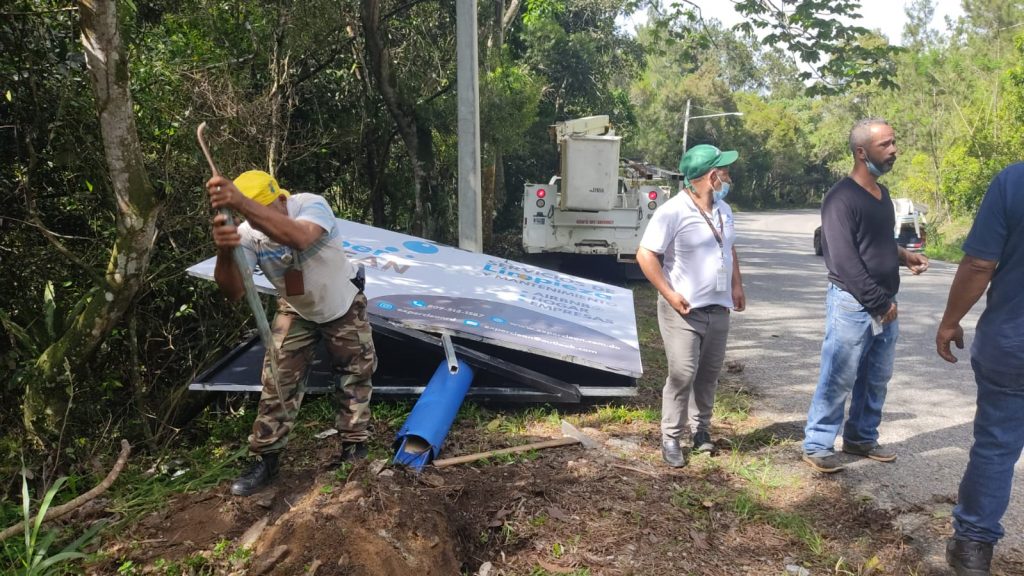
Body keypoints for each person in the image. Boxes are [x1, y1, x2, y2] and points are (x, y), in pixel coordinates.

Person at [207, 170, 377, 496]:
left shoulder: (311, 205)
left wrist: (241, 202)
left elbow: (300, 238)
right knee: (278, 377)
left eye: (268, 210)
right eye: (252, 216)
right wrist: (225, 250)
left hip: (341, 300)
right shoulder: (247, 234)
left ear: (282, 200)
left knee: (355, 372)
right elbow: (233, 291)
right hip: (296, 308)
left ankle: (354, 449)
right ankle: (266, 458)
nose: (260, 223)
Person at [801, 118, 929, 474]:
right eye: (885, 145)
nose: (894, 151)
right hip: (853, 303)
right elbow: (843, 260)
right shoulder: (840, 198)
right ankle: (817, 443)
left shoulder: (882, 195)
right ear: (861, 152)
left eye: (893, 142)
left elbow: (880, 243)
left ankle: (860, 437)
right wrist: (879, 303)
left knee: (876, 376)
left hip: (884, 301)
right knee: (838, 375)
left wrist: (905, 256)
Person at [937, 163, 1024, 576]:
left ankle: (972, 546)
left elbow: (978, 265)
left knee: (995, 447)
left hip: (1013, 345)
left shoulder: (1014, 181)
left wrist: (950, 321)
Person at [637, 144, 746, 468]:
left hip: (718, 307)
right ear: (711, 176)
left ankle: (701, 432)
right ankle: (671, 436)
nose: (728, 176)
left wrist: (737, 284)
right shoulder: (673, 211)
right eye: (724, 170)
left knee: (709, 374)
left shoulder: (724, 210)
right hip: (683, 311)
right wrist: (669, 294)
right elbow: (645, 255)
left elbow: (728, 248)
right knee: (683, 373)